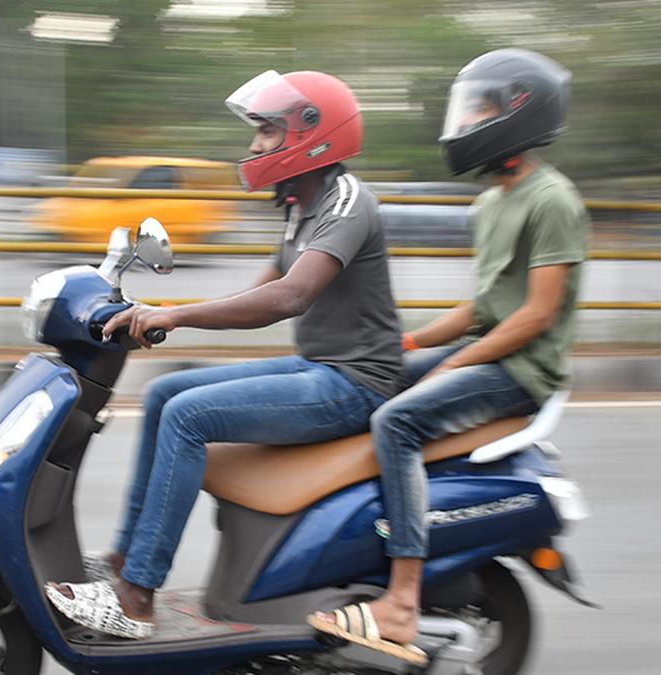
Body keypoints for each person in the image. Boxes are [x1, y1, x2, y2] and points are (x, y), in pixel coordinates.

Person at [44, 70, 405, 640]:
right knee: (167, 393)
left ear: (314, 135)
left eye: (267, 132)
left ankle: (137, 598)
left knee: (191, 417)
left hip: (355, 384)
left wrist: (177, 316)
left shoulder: (346, 203)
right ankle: (122, 563)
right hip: (319, 368)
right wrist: (166, 311)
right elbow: (259, 289)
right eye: (258, 132)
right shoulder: (302, 204)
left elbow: (290, 296)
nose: (256, 144)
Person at [310, 49, 589, 666]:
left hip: (523, 371)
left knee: (397, 419)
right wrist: (406, 346)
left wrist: (456, 364)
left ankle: (403, 597)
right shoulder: (490, 204)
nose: (466, 122)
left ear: (519, 112)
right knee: (369, 383)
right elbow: (484, 307)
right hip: (490, 351)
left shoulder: (553, 200)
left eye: (480, 109)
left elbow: (537, 314)